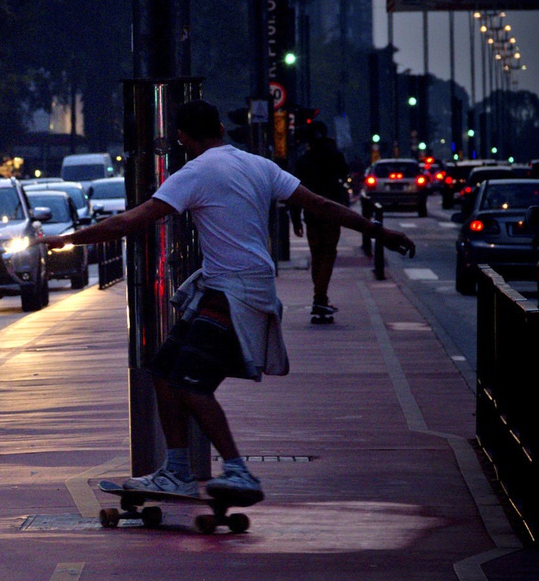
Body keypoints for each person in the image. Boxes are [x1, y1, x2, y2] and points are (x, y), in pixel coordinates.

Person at [38, 100, 414, 503]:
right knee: (163, 369)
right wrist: (379, 231)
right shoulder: (259, 166)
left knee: (188, 381)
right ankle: (177, 470)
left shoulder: (195, 172)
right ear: (219, 126)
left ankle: (238, 471)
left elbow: (133, 220)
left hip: (235, 290)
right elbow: (322, 204)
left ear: (182, 137)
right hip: (228, 286)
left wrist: (69, 240)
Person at [290, 122, 351, 320]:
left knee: (317, 255)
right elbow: (345, 172)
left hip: (311, 213)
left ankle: (320, 297)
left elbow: (294, 189)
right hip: (331, 211)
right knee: (328, 254)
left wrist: (296, 218)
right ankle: (320, 298)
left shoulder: (303, 160)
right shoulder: (333, 155)